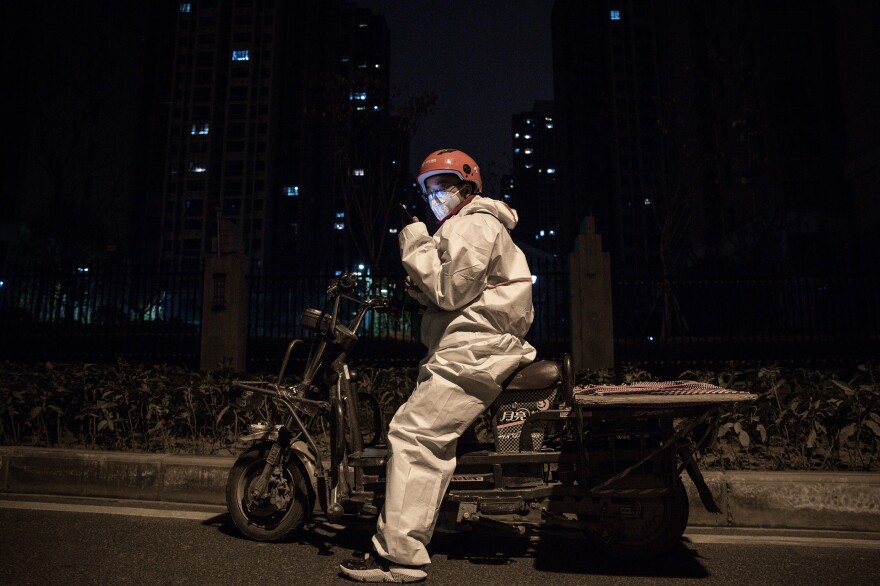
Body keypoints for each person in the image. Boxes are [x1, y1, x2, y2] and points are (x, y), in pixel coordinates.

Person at [340, 149, 536, 582]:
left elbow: (449, 290)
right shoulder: (465, 226)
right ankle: (440, 521)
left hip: (476, 349)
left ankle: (400, 557)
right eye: (428, 190)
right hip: (467, 345)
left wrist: (414, 238)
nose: (433, 197)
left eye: (440, 187)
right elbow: (449, 290)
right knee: (436, 437)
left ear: (467, 187)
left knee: (414, 435)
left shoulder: (476, 223)